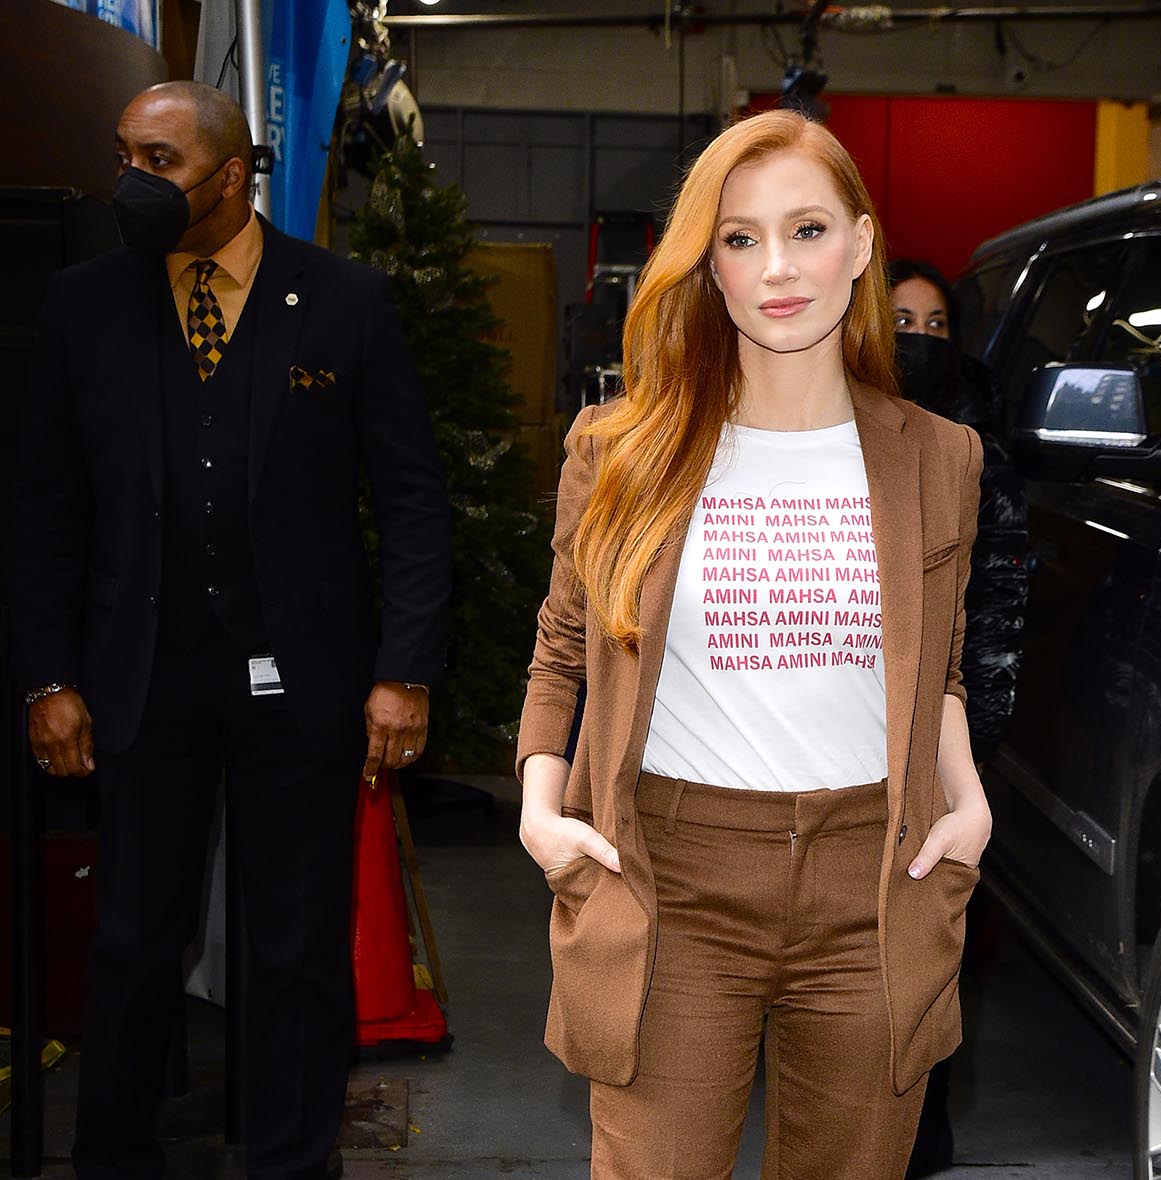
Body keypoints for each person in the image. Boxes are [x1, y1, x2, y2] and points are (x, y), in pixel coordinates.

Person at [517, 109, 992, 1180]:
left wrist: (967, 806)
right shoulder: (622, 449)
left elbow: (941, 667)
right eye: (739, 238)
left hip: (877, 877)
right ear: (708, 265)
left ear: (859, 246)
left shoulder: (939, 457)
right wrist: (543, 812)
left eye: (806, 229)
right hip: (671, 877)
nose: (776, 267)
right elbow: (562, 647)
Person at [8, 81, 452, 1180]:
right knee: (131, 940)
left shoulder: (344, 300)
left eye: (157, 160)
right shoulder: (84, 303)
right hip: (140, 677)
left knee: (297, 944)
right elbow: (43, 507)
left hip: (304, 682)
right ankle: (114, 1157)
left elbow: (410, 501)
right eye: (124, 155)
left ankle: (293, 1160)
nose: (131, 180)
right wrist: (46, 678)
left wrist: (404, 671)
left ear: (231, 173)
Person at [889, 259, 1029, 1180]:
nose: (918, 340)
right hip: (843, 722)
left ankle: (917, 1130)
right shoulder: (828, 419)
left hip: (944, 727)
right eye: (900, 321)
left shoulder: (978, 440)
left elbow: (1002, 589)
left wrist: (974, 737)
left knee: (924, 935)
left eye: (935, 325)